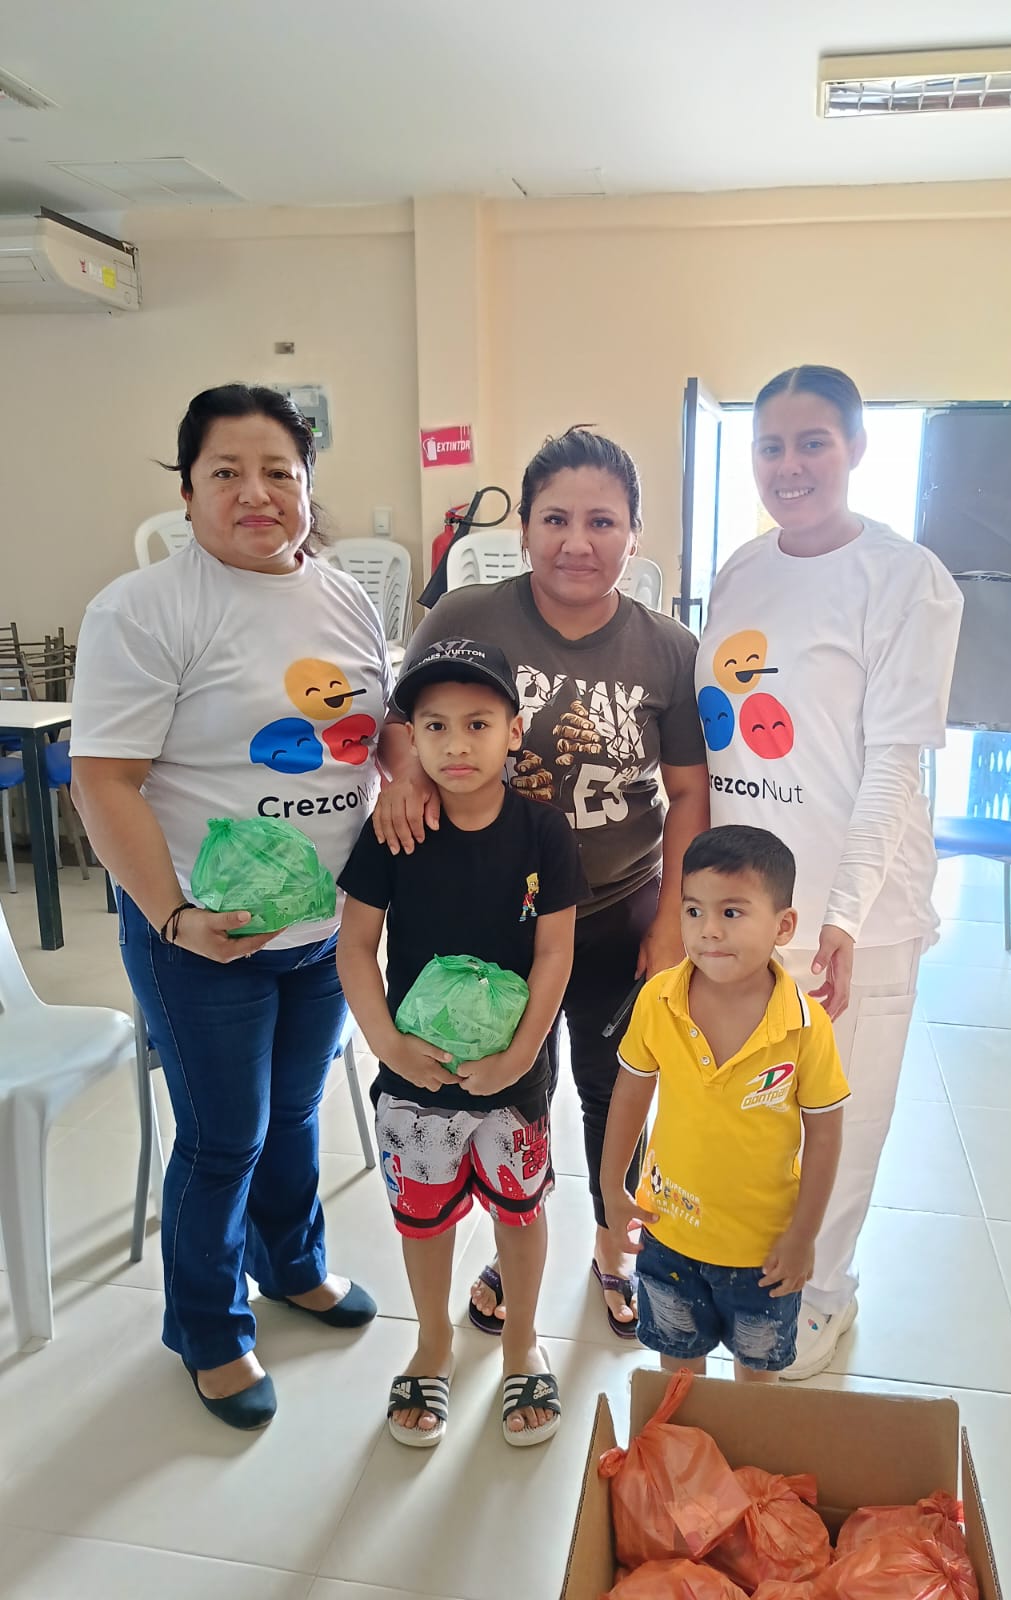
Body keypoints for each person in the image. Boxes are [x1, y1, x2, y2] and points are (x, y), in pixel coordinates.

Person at [71, 384, 397, 1429]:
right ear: (188, 489)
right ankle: (209, 1328)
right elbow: (104, 779)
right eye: (227, 472)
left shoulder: (341, 596)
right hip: (202, 937)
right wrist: (172, 916)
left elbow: (376, 732)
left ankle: (292, 1264)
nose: (257, 493)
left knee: (295, 1114)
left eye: (278, 473)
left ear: (307, 485)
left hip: (325, 932)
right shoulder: (144, 608)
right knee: (224, 1139)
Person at [374, 428, 709, 1337]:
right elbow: (402, 723)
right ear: (524, 528)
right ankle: (511, 1244)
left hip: (615, 908)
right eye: (556, 519)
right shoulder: (466, 616)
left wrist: (672, 920)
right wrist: (406, 777)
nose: (577, 542)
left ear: (635, 534)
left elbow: (688, 793)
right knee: (511, 1091)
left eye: (603, 521)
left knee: (613, 1088)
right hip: (494, 918)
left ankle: (613, 1246)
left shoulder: (668, 649)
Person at [697, 364, 963, 1379]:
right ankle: (764, 1267)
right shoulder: (741, 569)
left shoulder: (904, 579)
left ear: (855, 447)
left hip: (861, 916)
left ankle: (824, 1292)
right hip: (750, 912)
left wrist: (842, 915)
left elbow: (895, 764)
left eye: (813, 442)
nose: (790, 465)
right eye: (770, 445)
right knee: (761, 1113)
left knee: (842, 1114)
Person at [336, 638, 589, 1447]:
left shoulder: (544, 833)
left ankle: (521, 1345)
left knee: (520, 1210)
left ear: (514, 731)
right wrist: (386, 1045)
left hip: (515, 1078)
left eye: (478, 723)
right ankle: (433, 1342)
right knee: (424, 1217)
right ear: (410, 738)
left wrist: (520, 1054)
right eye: (435, 725)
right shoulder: (394, 830)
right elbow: (354, 947)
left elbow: (555, 953)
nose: (456, 744)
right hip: (415, 1078)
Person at [600, 825, 848, 1381]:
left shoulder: (806, 1026)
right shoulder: (659, 1000)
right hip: (668, 1235)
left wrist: (803, 1236)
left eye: (732, 912)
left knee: (754, 1387)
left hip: (765, 1255)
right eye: (693, 911)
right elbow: (631, 1093)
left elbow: (826, 1134)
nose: (708, 929)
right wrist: (612, 1184)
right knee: (678, 1378)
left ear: (784, 925)